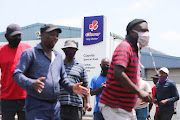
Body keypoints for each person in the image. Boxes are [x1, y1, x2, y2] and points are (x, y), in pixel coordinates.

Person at [13, 24, 89, 120]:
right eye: (52, 34)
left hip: (55, 107)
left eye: (57, 35)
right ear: (42, 35)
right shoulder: (30, 53)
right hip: (36, 106)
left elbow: (63, 79)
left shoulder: (58, 56)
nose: (55, 38)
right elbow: (17, 74)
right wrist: (31, 83)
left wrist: (72, 87)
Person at [99, 19, 152, 120]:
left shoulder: (133, 50)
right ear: (132, 32)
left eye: (147, 31)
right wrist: (139, 92)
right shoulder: (125, 47)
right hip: (115, 107)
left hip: (124, 108)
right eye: (143, 30)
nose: (146, 34)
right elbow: (118, 73)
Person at [0, 24, 31, 120]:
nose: (17, 38)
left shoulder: (28, 50)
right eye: (14, 36)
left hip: (25, 96)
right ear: (6, 37)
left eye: (19, 35)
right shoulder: (1, 51)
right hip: (7, 97)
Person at [59, 40, 91, 120]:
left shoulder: (80, 67)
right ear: (64, 51)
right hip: (60, 104)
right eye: (68, 49)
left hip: (76, 105)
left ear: (76, 51)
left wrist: (87, 103)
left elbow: (85, 86)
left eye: (73, 49)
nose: (70, 51)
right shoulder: (58, 65)